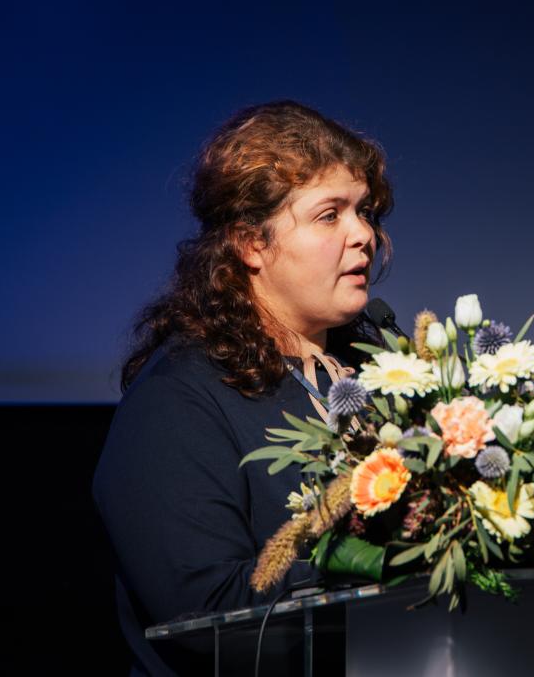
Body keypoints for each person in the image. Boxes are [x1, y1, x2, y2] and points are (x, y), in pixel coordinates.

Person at [92, 101, 393, 675]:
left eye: (364, 212)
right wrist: (391, 562)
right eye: (330, 215)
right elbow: (205, 608)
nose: (363, 235)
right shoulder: (177, 399)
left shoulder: (381, 373)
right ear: (252, 243)